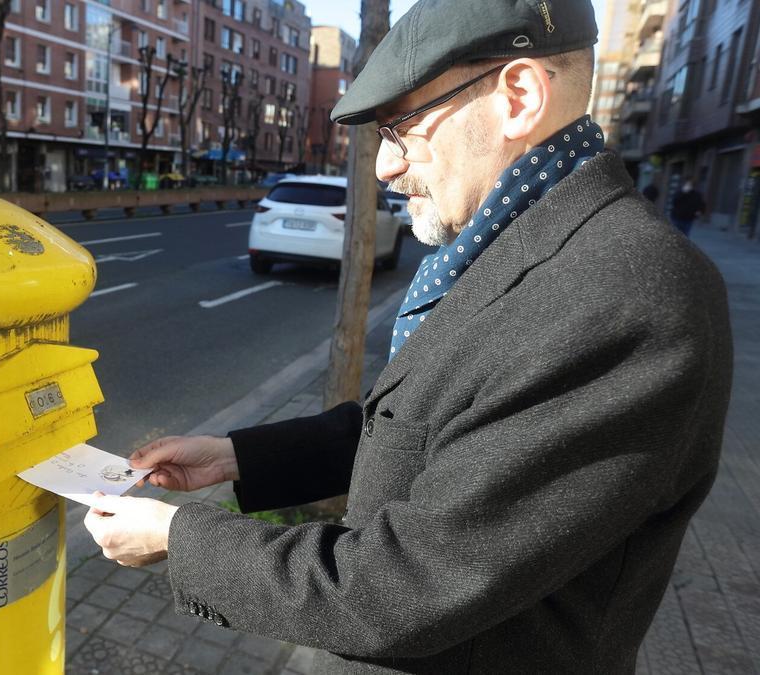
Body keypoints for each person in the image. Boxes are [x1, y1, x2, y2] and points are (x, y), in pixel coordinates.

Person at [83, 0, 733, 672]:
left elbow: (406, 586)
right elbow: (429, 432)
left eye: (403, 128)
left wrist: (179, 539)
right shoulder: (521, 243)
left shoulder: (624, 290)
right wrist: (236, 455)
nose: (385, 169)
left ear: (518, 97)